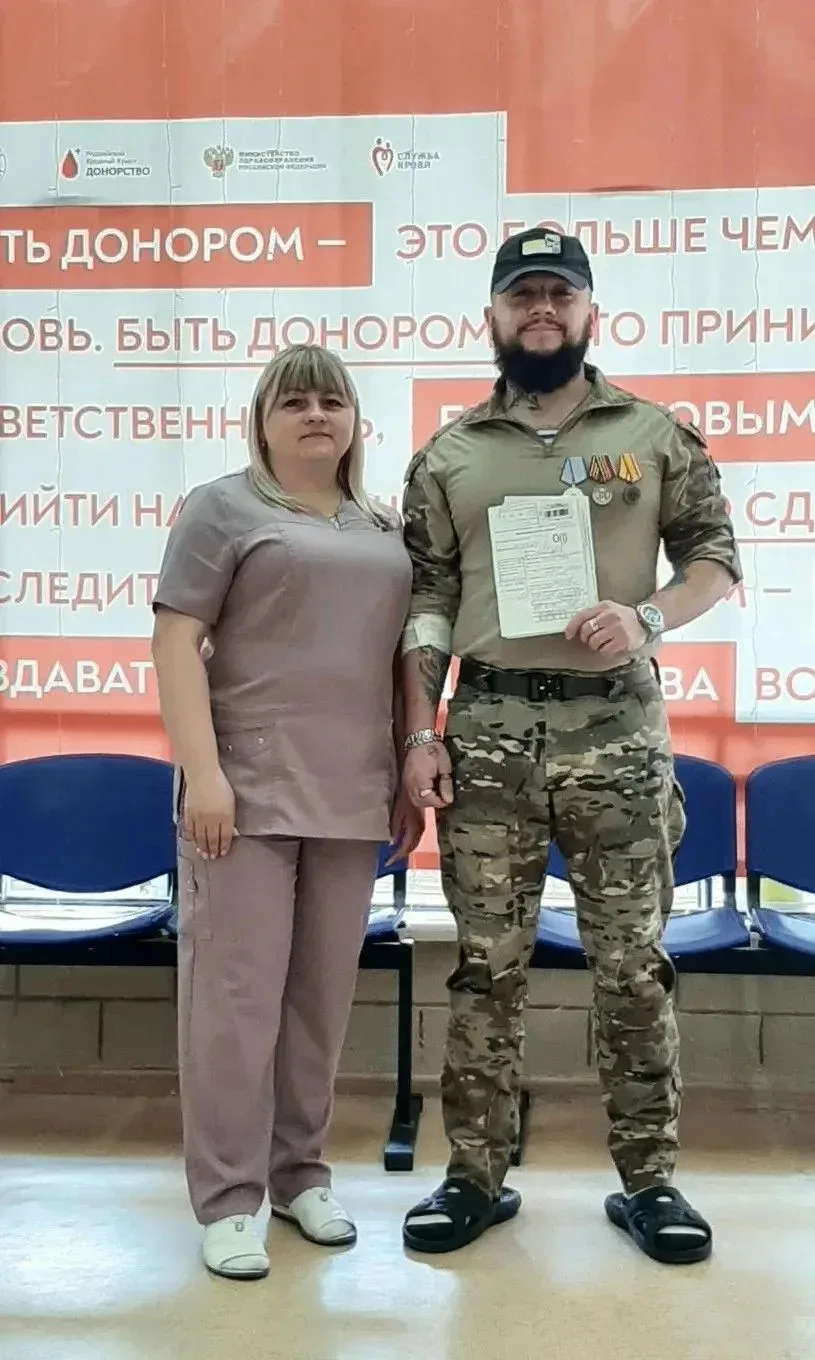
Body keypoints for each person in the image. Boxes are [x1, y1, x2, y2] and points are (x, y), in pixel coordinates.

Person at [397, 229, 742, 1264]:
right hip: (488, 730)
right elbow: (426, 600)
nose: (539, 310)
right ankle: (473, 1175)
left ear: (590, 313)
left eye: (558, 294)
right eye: (522, 296)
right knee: (484, 969)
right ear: (492, 317)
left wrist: (646, 618)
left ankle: (649, 1182)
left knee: (631, 969)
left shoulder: (653, 434)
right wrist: (418, 729)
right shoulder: (449, 456)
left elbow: (714, 558)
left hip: (616, 735)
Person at [151, 344, 423, 1280]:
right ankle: (230, 1199)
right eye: (294, 402)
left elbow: (404, 659)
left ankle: (301, 1174)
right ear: (262, 421)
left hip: (352, 791)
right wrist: (204, 774)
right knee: (235, 1004)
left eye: (331, 402)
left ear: (354, 422)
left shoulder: (383, 528)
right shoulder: (223, 508)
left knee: (319, 999)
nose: (315, 416)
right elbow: (175, 643)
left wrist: (405, 767)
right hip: (244, 793)